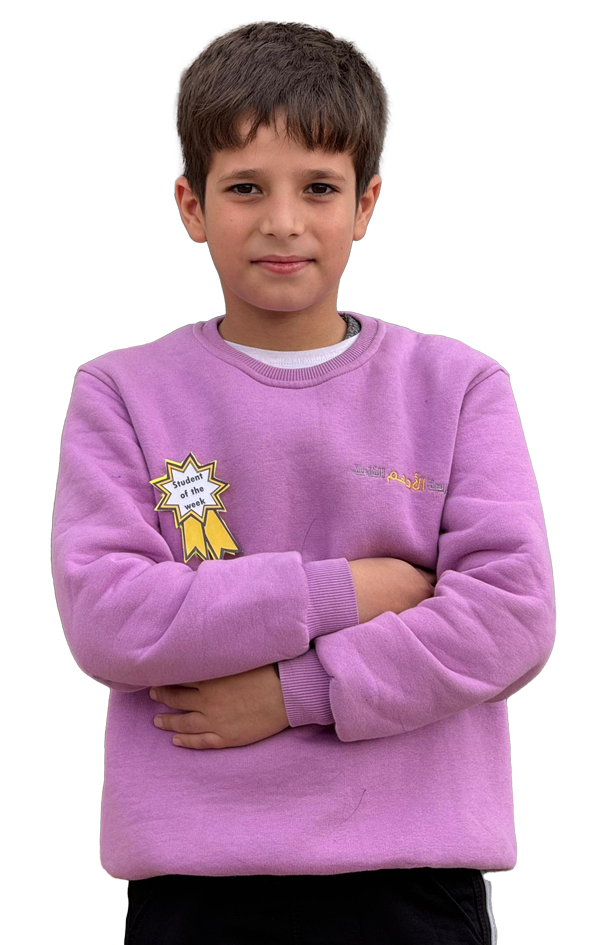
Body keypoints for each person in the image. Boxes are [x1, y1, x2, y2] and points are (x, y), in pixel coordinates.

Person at [51, 19, 556, 945]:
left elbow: (510, 615)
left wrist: (297, 691)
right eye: (245, 186)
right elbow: (111, 614)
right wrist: (347, 590)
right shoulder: (123, 392)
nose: (281, 220)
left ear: (363, 205)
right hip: (197, 881)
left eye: (318, 187)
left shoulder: (455, 386)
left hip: (410, 877)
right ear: (193, 205)